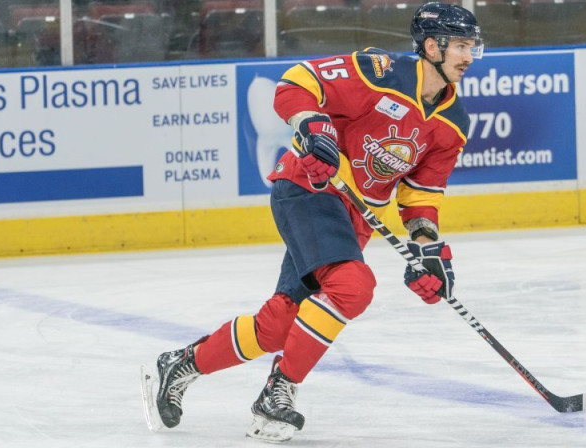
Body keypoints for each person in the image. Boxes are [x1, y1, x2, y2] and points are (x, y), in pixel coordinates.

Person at [149, 2, 483, 442]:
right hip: (310, 188)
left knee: (278, 325)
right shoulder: (380, 72)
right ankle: (278, 393)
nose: (468, 56)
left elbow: (420, 195)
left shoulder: (454, 122)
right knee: (353, 287)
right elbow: (299, 81)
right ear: (430, 46)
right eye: (460, 45)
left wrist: (427, 249)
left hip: (353, 219)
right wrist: (313, 124)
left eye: (472, 46)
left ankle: (183, 364)